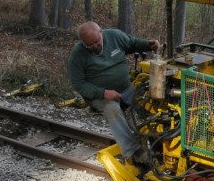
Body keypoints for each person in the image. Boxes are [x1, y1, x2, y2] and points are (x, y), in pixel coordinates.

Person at [68, 21, 159, 168]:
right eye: (90, 45)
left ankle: (158, 142)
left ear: (101, 32)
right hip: (99, 95)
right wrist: (103, 93)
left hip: (125, 87)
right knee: (112, 109)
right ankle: (135, 152)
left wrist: (149, 45)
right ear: (83, 43)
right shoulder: (77, 55)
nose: (95, 46)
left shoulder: (115, 36)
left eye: (97, 41)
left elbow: (133, 43)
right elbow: (79, 84)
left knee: (148, 103)